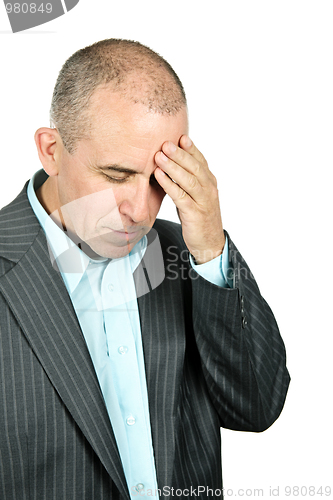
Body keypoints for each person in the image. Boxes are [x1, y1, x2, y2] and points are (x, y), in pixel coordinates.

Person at [0, 38, 290, 499]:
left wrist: (211, 251)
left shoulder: (190, 254)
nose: (139, 210)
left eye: (160, 180)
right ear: (51, 150)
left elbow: (256, 407)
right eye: (116, 176)